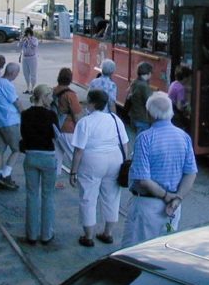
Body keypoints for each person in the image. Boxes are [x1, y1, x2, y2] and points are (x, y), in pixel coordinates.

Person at [122, 91, 198, 248]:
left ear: (150, 114)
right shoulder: (184, 137)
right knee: (163, 252)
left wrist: (166, 195)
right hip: (173, 208)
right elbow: (190, 173)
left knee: (137, 253)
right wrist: (177, 198)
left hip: (146, 207)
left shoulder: (145, 137)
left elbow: (143, 179)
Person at [69, 89, 129, 247]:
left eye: (87, 101)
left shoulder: (85, 122)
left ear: (93, 103)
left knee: (88, 196)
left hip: (92, 160)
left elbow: (79, 150)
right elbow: (125, 143)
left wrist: (73, 171)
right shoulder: (115, 119)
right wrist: (123, 163)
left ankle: (88, 235)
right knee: (112, 197)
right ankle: (107, 233)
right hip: (114, 159)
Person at [20, 84, 59, 245]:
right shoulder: (51, 115)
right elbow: (55, 136)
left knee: (31, 195)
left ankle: (31, 234)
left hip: (30, 156)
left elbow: (23, 134)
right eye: (49, 96)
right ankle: (46, 234)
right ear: (43, 97)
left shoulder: (26, 114)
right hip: (48, 157)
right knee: (48, 196)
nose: (51, 99)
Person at [0, 61, 24, 190]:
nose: (17, 75)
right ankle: (5, 175)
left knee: (0, 150)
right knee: (17, 149)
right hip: (9, 121)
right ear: (12, 73)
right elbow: (16, 102)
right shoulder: (7, 85)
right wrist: (25, 115)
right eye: (17, 72)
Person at [52, 67, 84, 188]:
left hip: (56, 128)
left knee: (57, 155)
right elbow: (76, 114)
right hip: (68, 128)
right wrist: (79, 130)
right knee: (75, 155)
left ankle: (53, 180)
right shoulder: (70, 95)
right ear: (70, 79)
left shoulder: (53, 91)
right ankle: (81, 180)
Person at [127, 61, 153, 135]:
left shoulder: (135, 82)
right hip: (143, 118)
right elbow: (149, 102)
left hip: (134, 116)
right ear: (148, 73)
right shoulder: (144, 86)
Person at [167, 64, 191, 131]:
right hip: (176, 115)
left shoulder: (174, 83)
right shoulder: (181, 89)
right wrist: (186, 106)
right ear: (185, 78)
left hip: (169, 111)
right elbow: (179, 107)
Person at [19, 27, 39, 94]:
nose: (27, 35)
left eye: (28, 34)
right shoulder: (24, 40)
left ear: (30, 34)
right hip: (25, 58)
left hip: (32, 58)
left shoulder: (35, 39)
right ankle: (27, 87)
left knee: (33, 74)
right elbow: (19, 46)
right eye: (26, 34)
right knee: (26, 74)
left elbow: (34, 46)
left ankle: (32, 88)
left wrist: (29, 40)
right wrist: (22, 40)